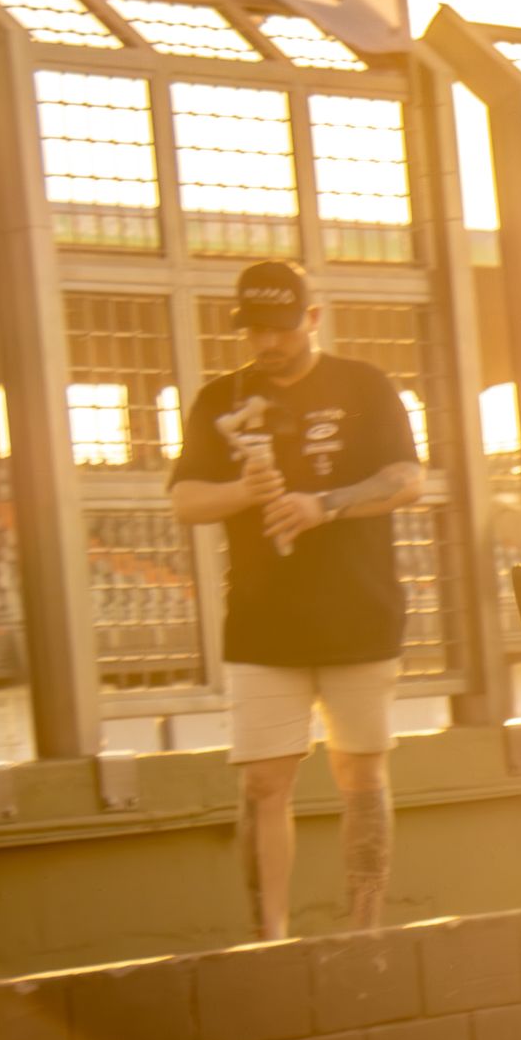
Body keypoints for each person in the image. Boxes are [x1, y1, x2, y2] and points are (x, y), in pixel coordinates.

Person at [169, 261, 423, 939]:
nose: (267, 343)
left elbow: (407, 480)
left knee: (360, 774)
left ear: (313, 318)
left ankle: (364, 932)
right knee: (261, 784)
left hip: (359, 616)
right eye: (254, 330)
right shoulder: (219, 400)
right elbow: (184, 500)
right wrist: (244, 495)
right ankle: (269, 940)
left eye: (281, 328)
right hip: (260, 623)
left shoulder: (365, 386)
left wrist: (324, 506)